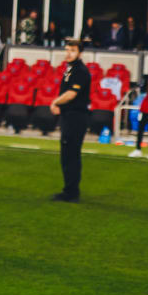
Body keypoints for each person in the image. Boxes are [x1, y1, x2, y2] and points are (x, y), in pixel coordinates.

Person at [50, 38, 91, 201]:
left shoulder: (80, 71)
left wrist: (55, 102)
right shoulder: (70, 69)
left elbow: (71, 94)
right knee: (67, 155)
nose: (68, 53)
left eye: (72, 50)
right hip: (69, 116)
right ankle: (69, 189)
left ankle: (71, 192)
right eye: (67, 50)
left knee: (71, 155)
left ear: (80, 53)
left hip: (76, 117)